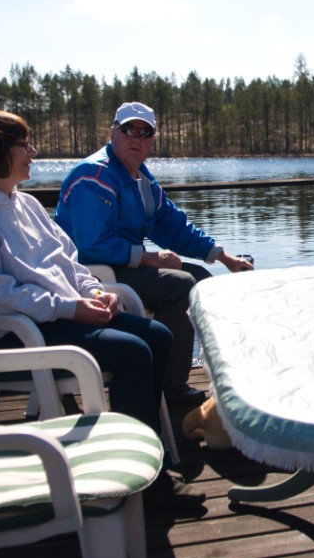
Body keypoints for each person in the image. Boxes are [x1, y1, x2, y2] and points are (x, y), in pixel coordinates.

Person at [0, 107, 206, 512]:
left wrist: (96, 291)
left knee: (159, 336)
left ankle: (142, 448)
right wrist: (70, 308)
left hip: (53, 318)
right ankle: (148, 486)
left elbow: (67, 260)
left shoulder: (21, 204)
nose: (33, 151)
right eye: (23, 144)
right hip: (13, 339)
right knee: (132, 353)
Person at [55, 101, 254, 404]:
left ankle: (169, 376)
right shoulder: (92, 175)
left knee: (200, 277)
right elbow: (91, 243)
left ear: (152, 140)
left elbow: (173, 226)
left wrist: (224, 257)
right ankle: (168, 385)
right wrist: (148, 257)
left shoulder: (142, 179)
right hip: (89, 274)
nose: (136, 138)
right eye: (128, 130)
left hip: (122, 266)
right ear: (113, 132)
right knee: (182, 285)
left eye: (144, 132)